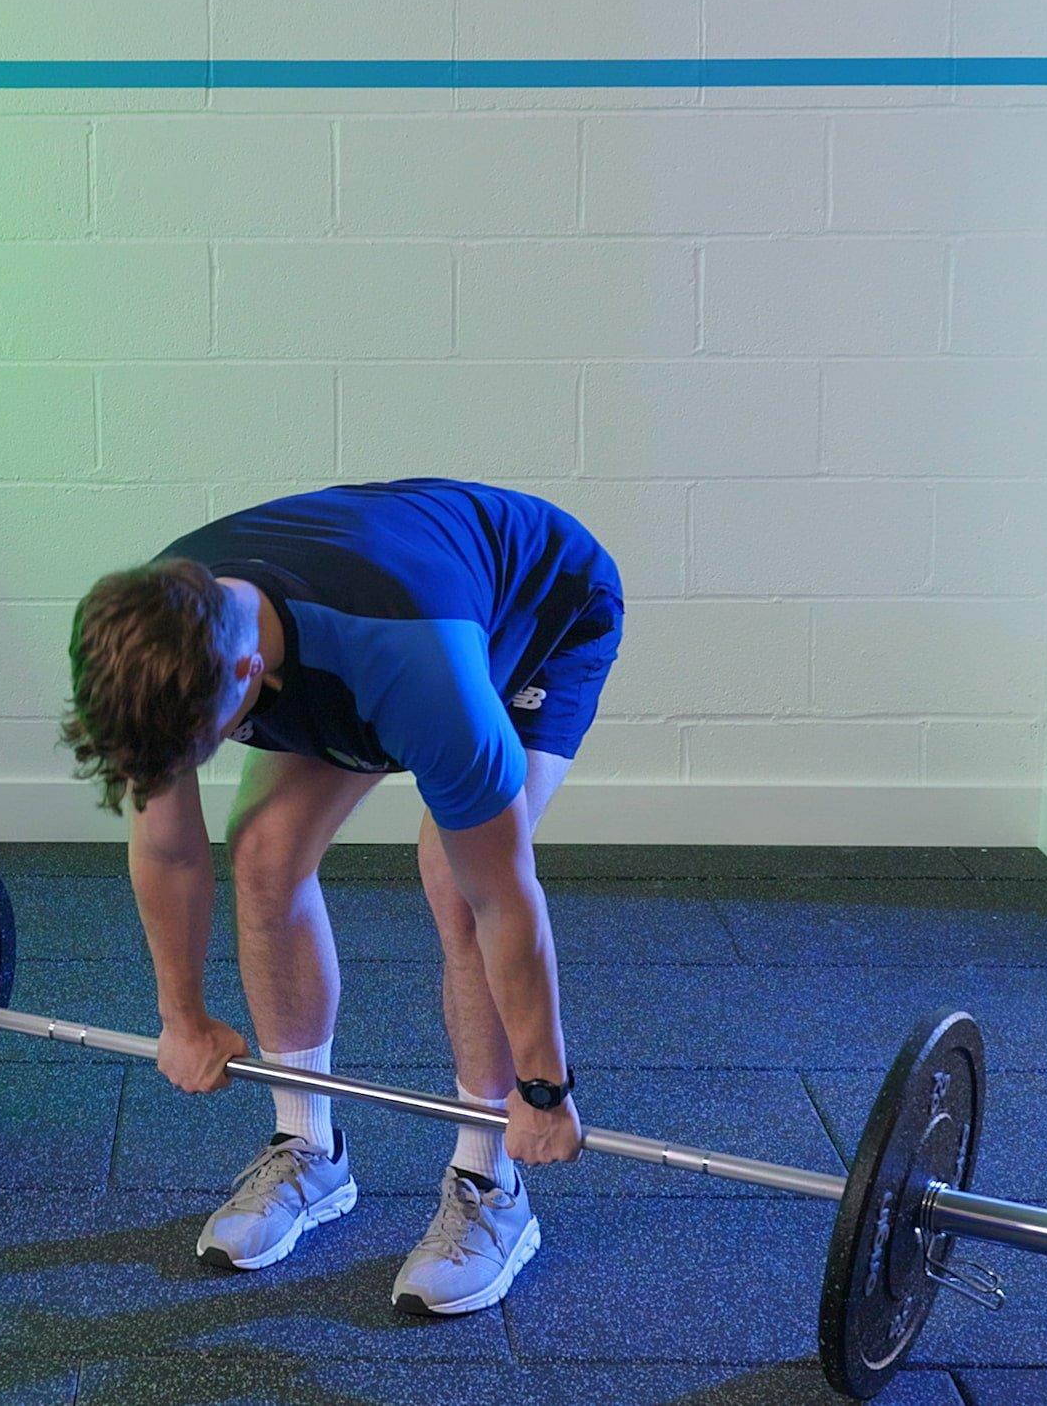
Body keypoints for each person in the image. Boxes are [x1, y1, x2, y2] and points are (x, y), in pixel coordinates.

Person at [60, 477, 624, 1315]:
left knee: (453, 871)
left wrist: (543, 1091)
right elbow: (171, 846)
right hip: (366, 613)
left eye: (203, 741)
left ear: (249, 671)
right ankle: (309, 1148)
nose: (188, 761)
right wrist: (182, 1016)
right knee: (262, 852)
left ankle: (488, 1180)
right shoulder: (156, 645)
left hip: (534, 609)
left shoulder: (418, 668)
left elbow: (507, 898)